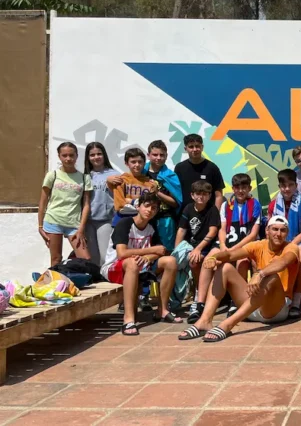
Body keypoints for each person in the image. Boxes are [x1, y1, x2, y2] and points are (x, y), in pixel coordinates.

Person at [178, 215, 300, 342]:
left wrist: (259, 274)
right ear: (267, 231)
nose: (278, 234)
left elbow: (283, 262)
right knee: (225, 268)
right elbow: (230, 255)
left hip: (275, 310)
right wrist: (214, 258)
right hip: (251, 307)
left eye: (283, 230)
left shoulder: (291, 247)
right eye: (275, 229)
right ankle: (205, 321)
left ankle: (228, 324)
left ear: (287, 233)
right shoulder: (258, 245)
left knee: (272, 276)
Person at [101, 193, 182, 335]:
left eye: (154, 208)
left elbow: (160, 251)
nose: (149, 210)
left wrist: (149, 257)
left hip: (140, 266)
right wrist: (150, 251)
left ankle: (162, 310)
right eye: (146, 206)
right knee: (132, 263)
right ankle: (128, 319)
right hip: (115, 267)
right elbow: (121, 253)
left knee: (171, 261)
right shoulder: (125, 223)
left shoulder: (151, 226)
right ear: (138, 206)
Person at [38, 142, 93, 266]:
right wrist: (40, 226)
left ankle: (76, 282)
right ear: (59, 156)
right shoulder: (53, 175)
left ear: (76, 156)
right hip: (53, 221)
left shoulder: (84, 178)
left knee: (86, 260)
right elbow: (43, 201)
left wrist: (81, 228)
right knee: (56, 259)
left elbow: (86, 205)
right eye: (64, 155)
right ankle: (55, 285)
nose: (68, 159)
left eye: (71, 155)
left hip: (74, 224)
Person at [267, 169, 301, 318]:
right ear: (279, 186)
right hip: (277, 240)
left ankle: (296, 302)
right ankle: (272, 297)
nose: (287, 189)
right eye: (283, 185)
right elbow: (269, 230)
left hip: (298, 240)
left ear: (296, 185)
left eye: (290, 185)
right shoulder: (273, 204)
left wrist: (290, 245)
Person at [175, 181, 221, 323]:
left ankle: (198, 300)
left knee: (201, 260)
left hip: (209, 246)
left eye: (205, 194)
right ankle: (195, 294)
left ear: (209, 196)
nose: (201, 197)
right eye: (198, 194)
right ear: (192, 195)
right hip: (193, 246)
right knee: (192, 262)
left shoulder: (212, 209)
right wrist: (177, 251)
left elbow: (213, 232)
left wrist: (199, 249)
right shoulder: (188, 208)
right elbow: (182, 230)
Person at [217, 173, 262, 316]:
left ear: (249, 188)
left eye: (244, 187)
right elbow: (222, 229)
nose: (241, 191)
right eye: (237, 187)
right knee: (212, 259)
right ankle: (203, 301)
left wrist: (232, 250)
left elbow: (253, 235)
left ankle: (240, 299)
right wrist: (223, 245)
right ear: (233, 188)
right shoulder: (226, 205)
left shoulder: (255, 204)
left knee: (242, 261)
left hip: (247, 246)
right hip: (229, 245)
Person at [84, 142, 122, 266]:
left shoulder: (114, 174)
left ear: (104, 155)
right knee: (92, 256)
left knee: (104, 256)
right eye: (92, 155)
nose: (96, 157)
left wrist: (109, 182)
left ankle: (106, 282)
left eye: (99, 154)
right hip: (88, 221)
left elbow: (119, 196)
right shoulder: (85, 176)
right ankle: (95, 282)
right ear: (88, 158)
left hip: (105, 220)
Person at [143, 140, 182, 251]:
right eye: (155, 155)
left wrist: (157, 193)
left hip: (165, 219)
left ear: (166, 156)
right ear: (148, 155)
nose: (158, 158)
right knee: (143, 249)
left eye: (162, 155)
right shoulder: (140, 173)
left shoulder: (170, 176)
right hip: (144, 219)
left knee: (165, 250)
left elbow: (176, 203)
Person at [173, 134, 225, 211]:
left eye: (197, 146)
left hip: (207, 215)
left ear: (202, 147)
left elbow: (218, 196)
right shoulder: (179, 168)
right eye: (191, 147)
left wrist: (215, 215)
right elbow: (175, 194)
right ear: (185, 148)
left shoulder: (212, 168)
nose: (195, 149)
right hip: (185, 215)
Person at [110, 148, 158, 226]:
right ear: (126, 163)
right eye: (133, 162)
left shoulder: (150, 184)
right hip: (121, 222)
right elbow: (120, 206)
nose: (137, 165)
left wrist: (130, 201)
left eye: (140, 162)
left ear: (144, 163)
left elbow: (151, 207)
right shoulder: (120, 181)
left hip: (142, 225)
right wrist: (138, 204)